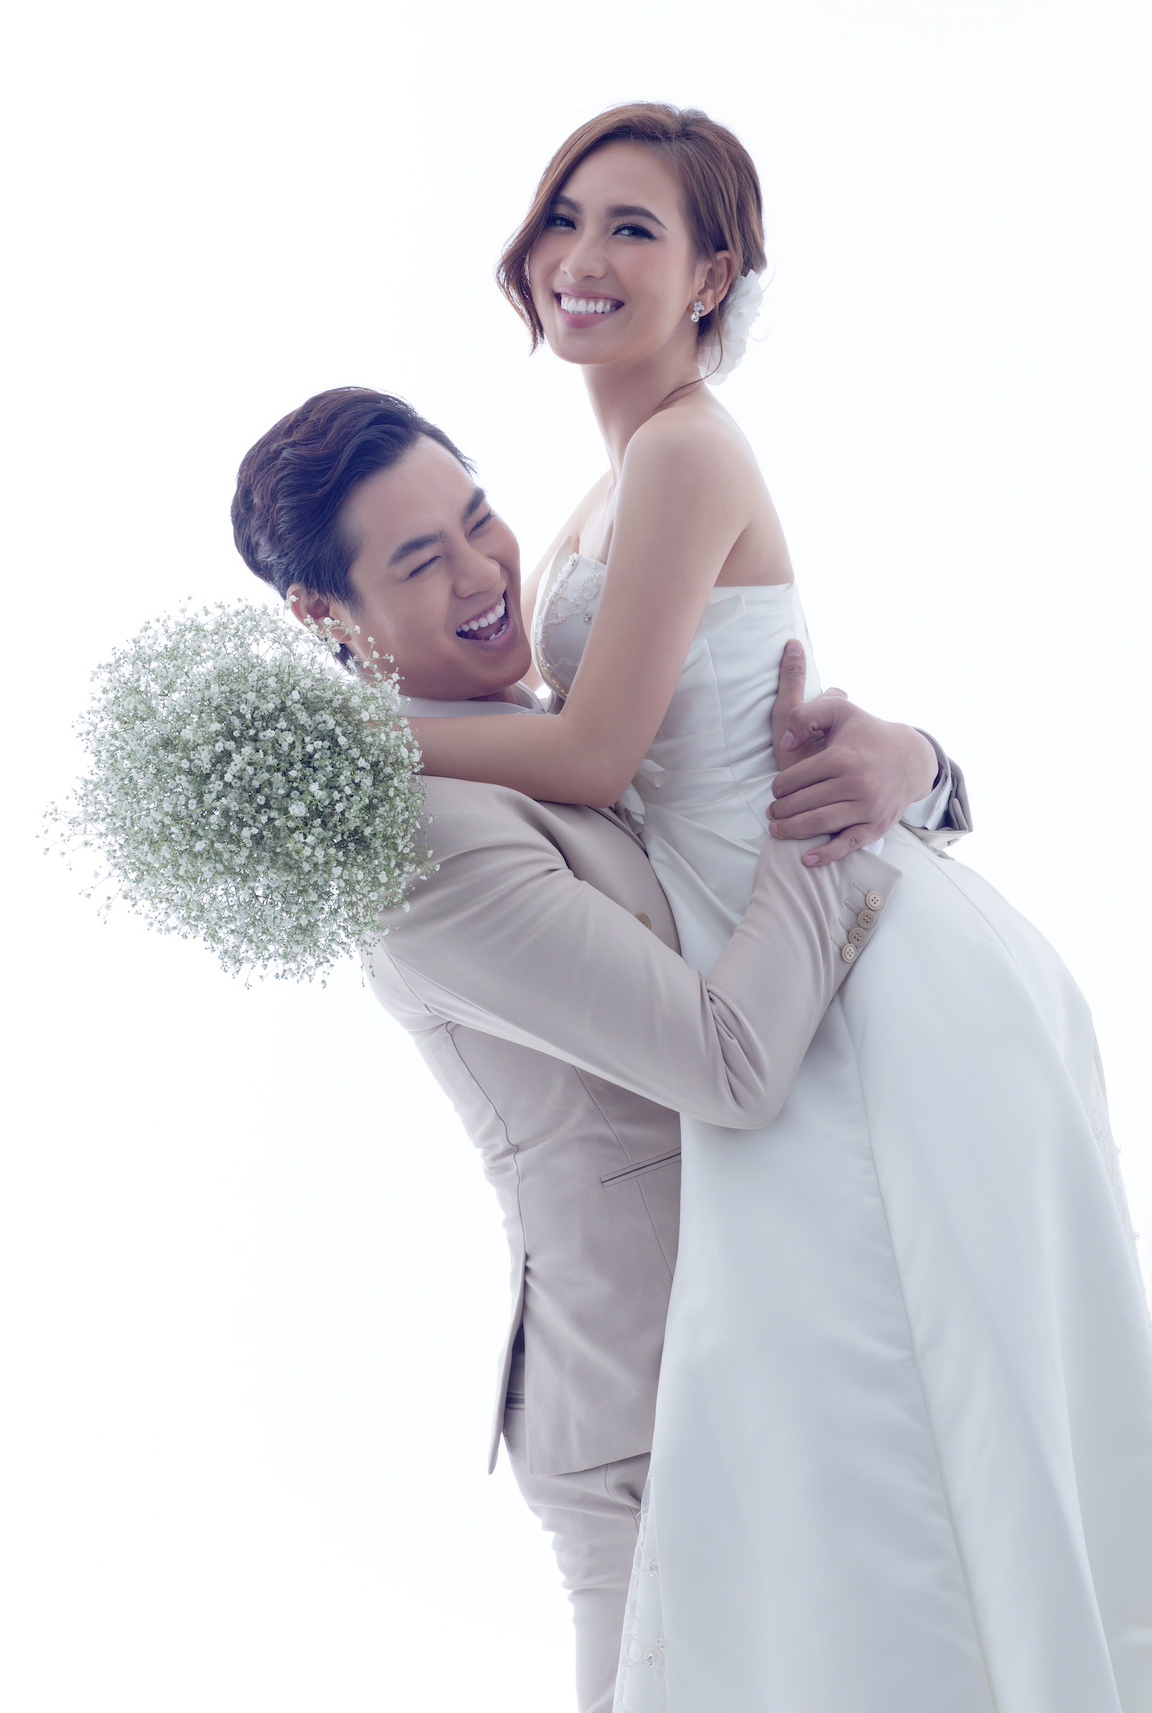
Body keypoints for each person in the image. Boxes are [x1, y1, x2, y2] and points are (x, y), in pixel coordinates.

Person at [398, 106, 1152, 1711]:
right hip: (766, 940)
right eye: (563, 217)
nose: (580, 257)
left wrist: (351, 745)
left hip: (851, 961)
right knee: (847, 1432)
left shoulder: (682, 450)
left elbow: (592, 756)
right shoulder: (606, 483)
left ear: (711, 276)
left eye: (633, 229)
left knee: (919, 1405)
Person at [231, 385, 970, 1713]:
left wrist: (909, 762)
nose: (481, 574)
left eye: (478, 519)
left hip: (775, 1339)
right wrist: (823, 822)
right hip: (647, 1414)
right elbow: (730, 1064)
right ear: (323, 616)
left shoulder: (568, 731)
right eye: (419, 560)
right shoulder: (422, 840)